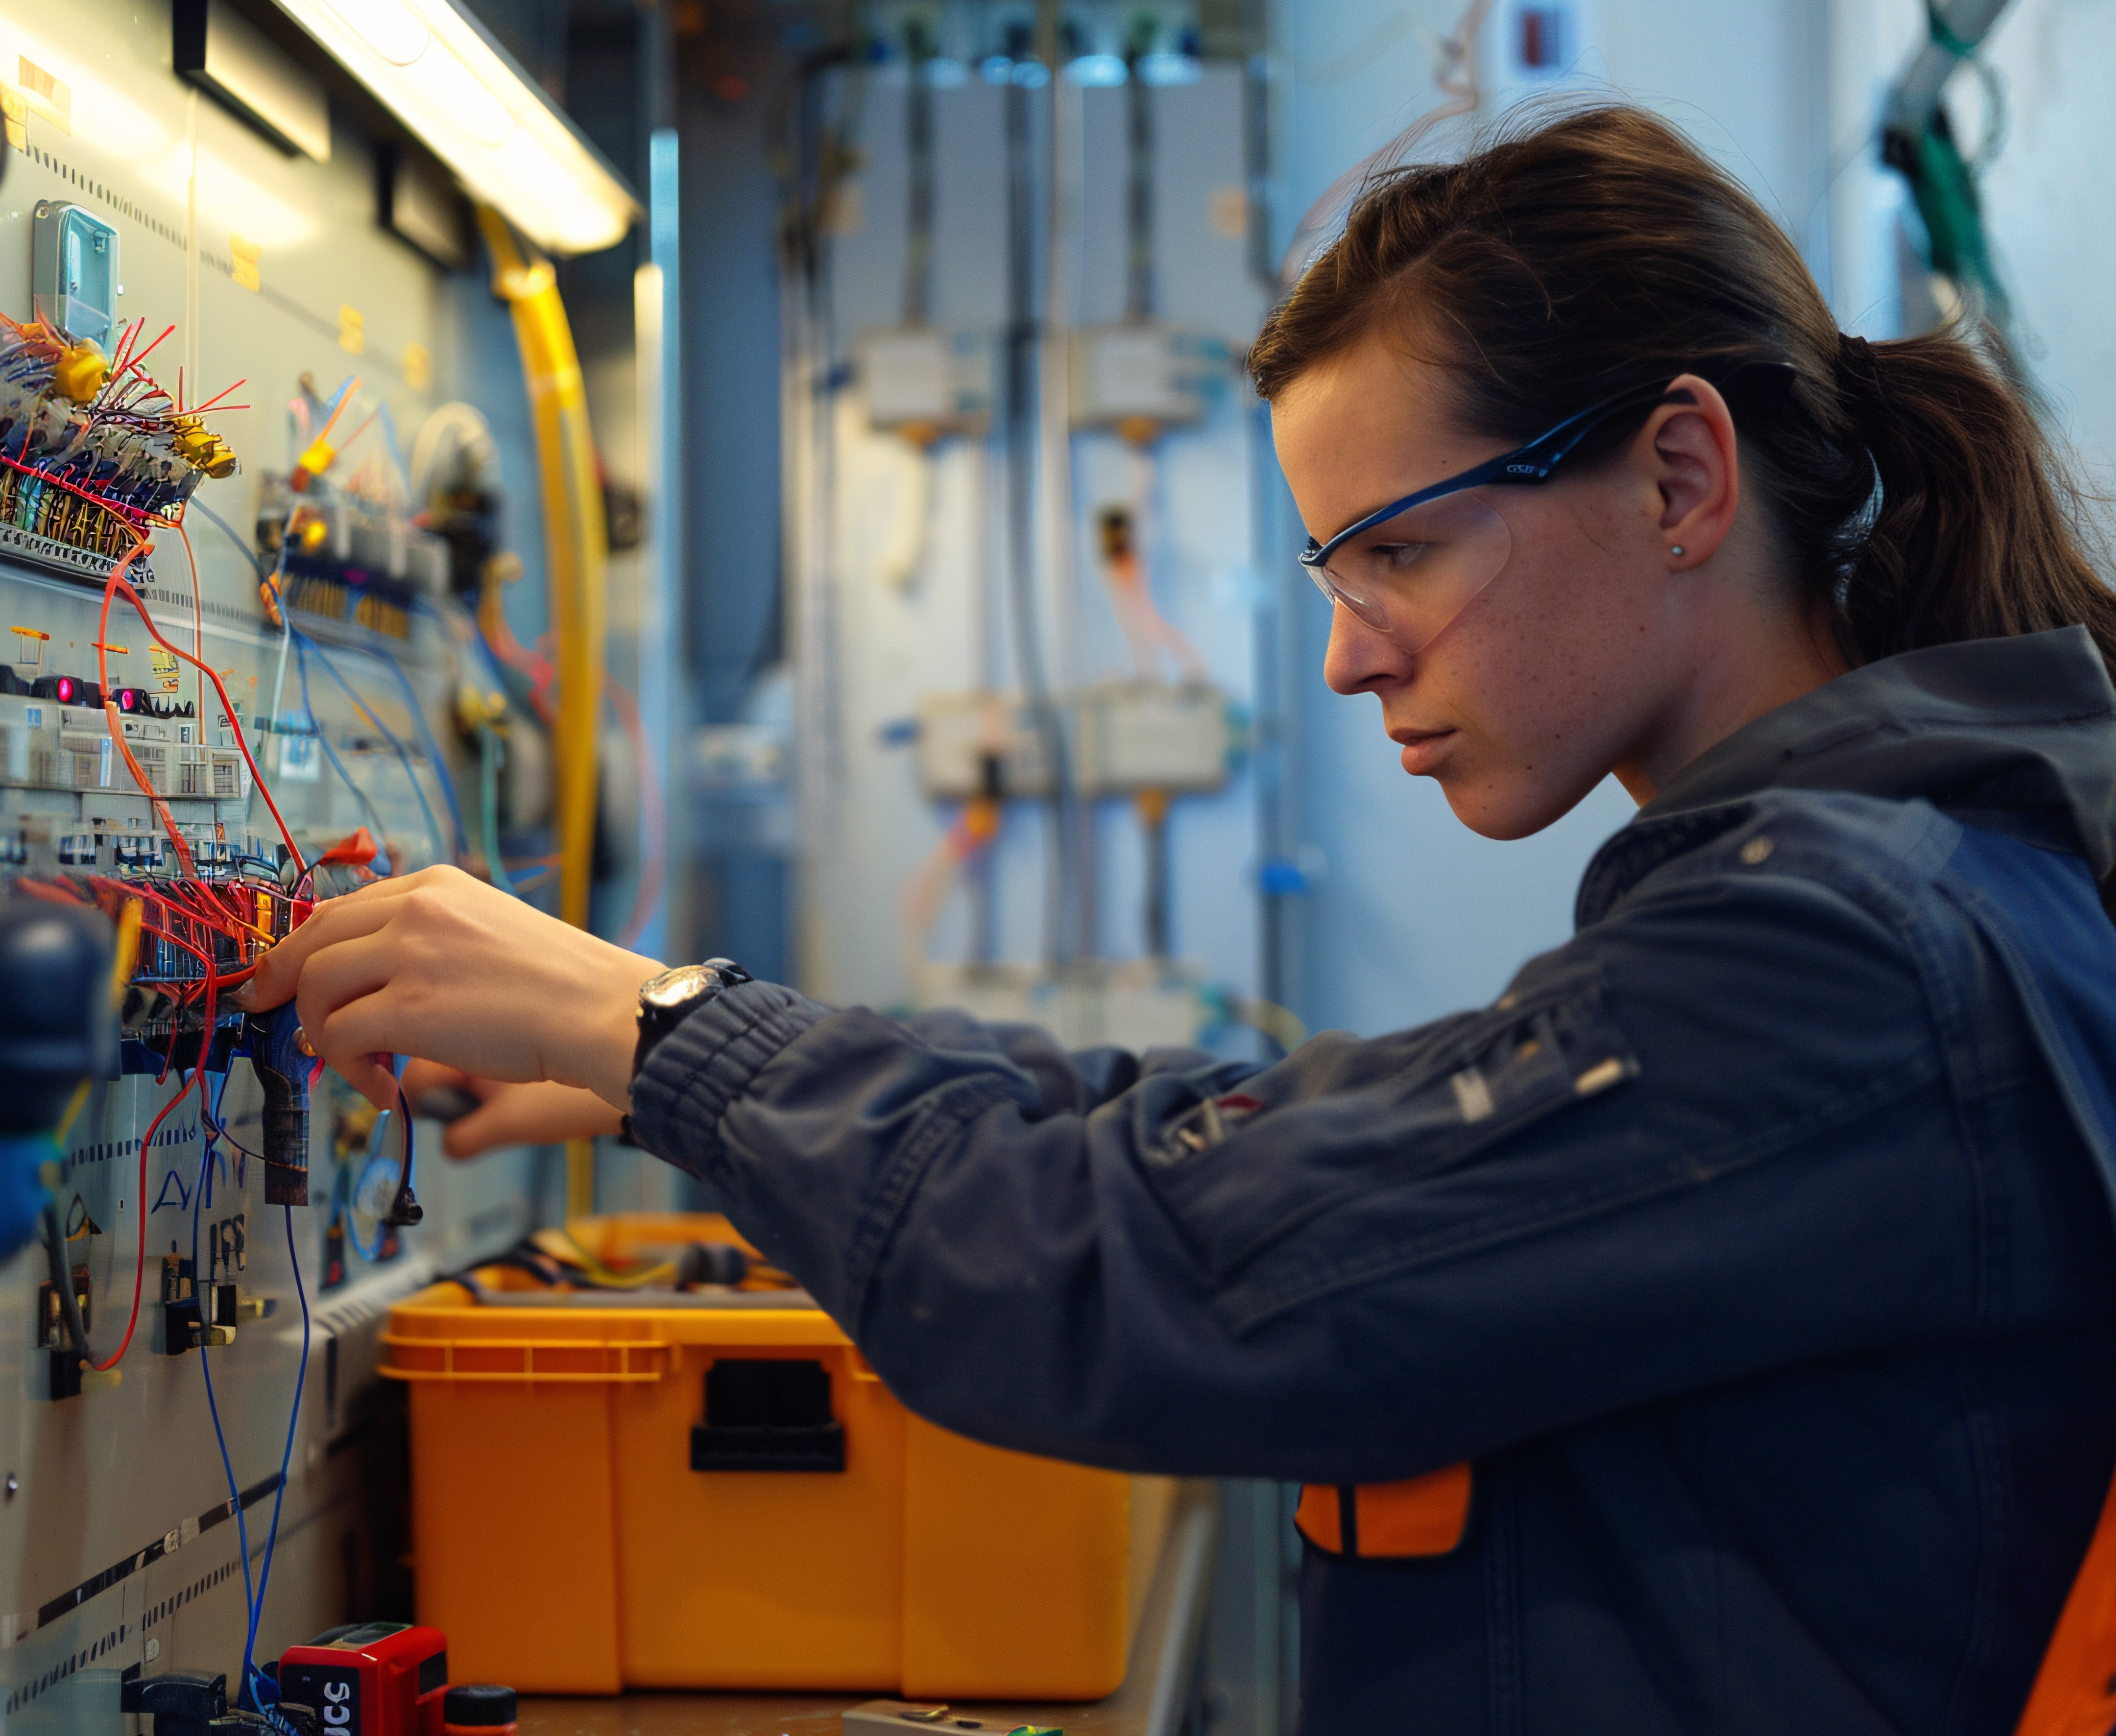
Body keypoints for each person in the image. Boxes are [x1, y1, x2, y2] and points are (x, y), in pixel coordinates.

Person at [239, 106, 2116, 1735]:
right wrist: (671, 1066)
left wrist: (664, 1030)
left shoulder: (1850, 954)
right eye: (1335, 563)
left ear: (1682, 478)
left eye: (1403, 547)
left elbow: (1182, 1264)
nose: (1345, 650)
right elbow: (1293, 1140)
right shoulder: (1903, 886)